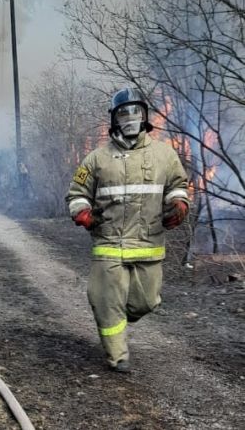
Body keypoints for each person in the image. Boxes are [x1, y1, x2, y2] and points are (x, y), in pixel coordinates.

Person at [66, 87, 189, 373]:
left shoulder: (164, 155)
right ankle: (117, 356)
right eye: (124, 112)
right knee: (105, 300)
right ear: (114, 119)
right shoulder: (97, 158)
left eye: (136, 111)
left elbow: (177, 186)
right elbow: (77, 192)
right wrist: (82, 212)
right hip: (108, 243)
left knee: (145, 302)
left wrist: (179, 204)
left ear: (145, 117)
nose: (131, 117)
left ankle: (121, 316)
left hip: (148, 244)